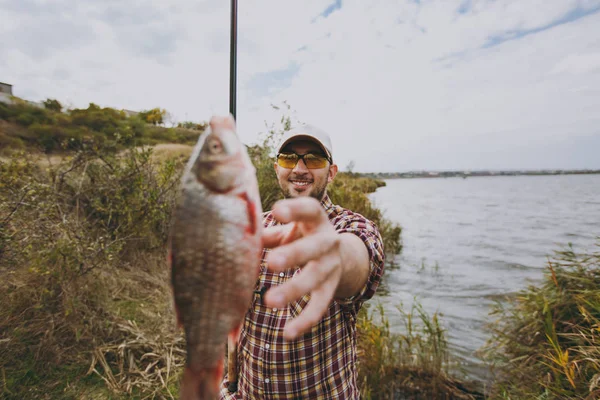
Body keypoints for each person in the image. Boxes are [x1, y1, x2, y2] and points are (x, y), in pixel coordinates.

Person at [219, 123, 385, 399]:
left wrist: (334, 258)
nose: (299, 168)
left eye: (314, 159)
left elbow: (359, 257)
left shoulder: (350, 226)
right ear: (276, 168)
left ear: (331, 172)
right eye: (288, 158)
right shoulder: (252, 229)